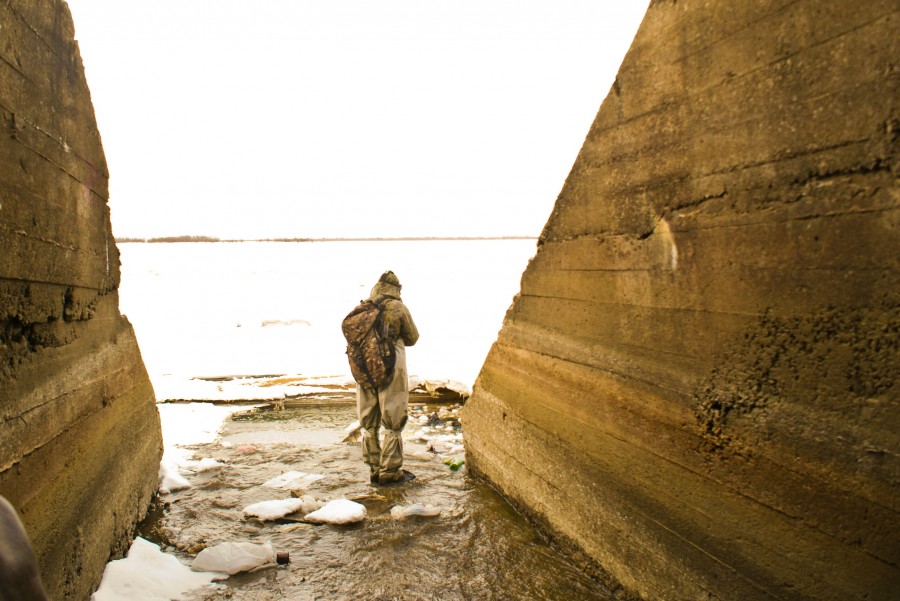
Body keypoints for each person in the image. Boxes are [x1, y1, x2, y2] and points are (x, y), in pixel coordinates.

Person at [356, 270, 419, 485]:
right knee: (393, 418)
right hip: (391, 366)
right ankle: (390, 472)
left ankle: (374, 468)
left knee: (369, 419)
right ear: (396, 289)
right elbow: (412, 338)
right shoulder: (397, 307)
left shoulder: (364, 307)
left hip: (365, 367)